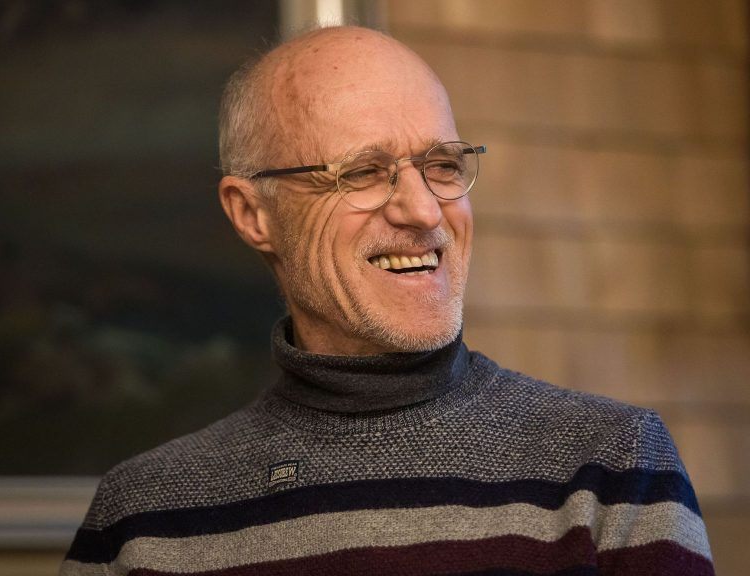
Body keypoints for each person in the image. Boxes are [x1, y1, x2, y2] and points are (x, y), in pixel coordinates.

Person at [61, 26, 714, 576]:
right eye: (363, 173)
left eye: (444, 165)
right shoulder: (142, 522)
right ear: (252, 214)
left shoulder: (612, 470)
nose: (424, 211)